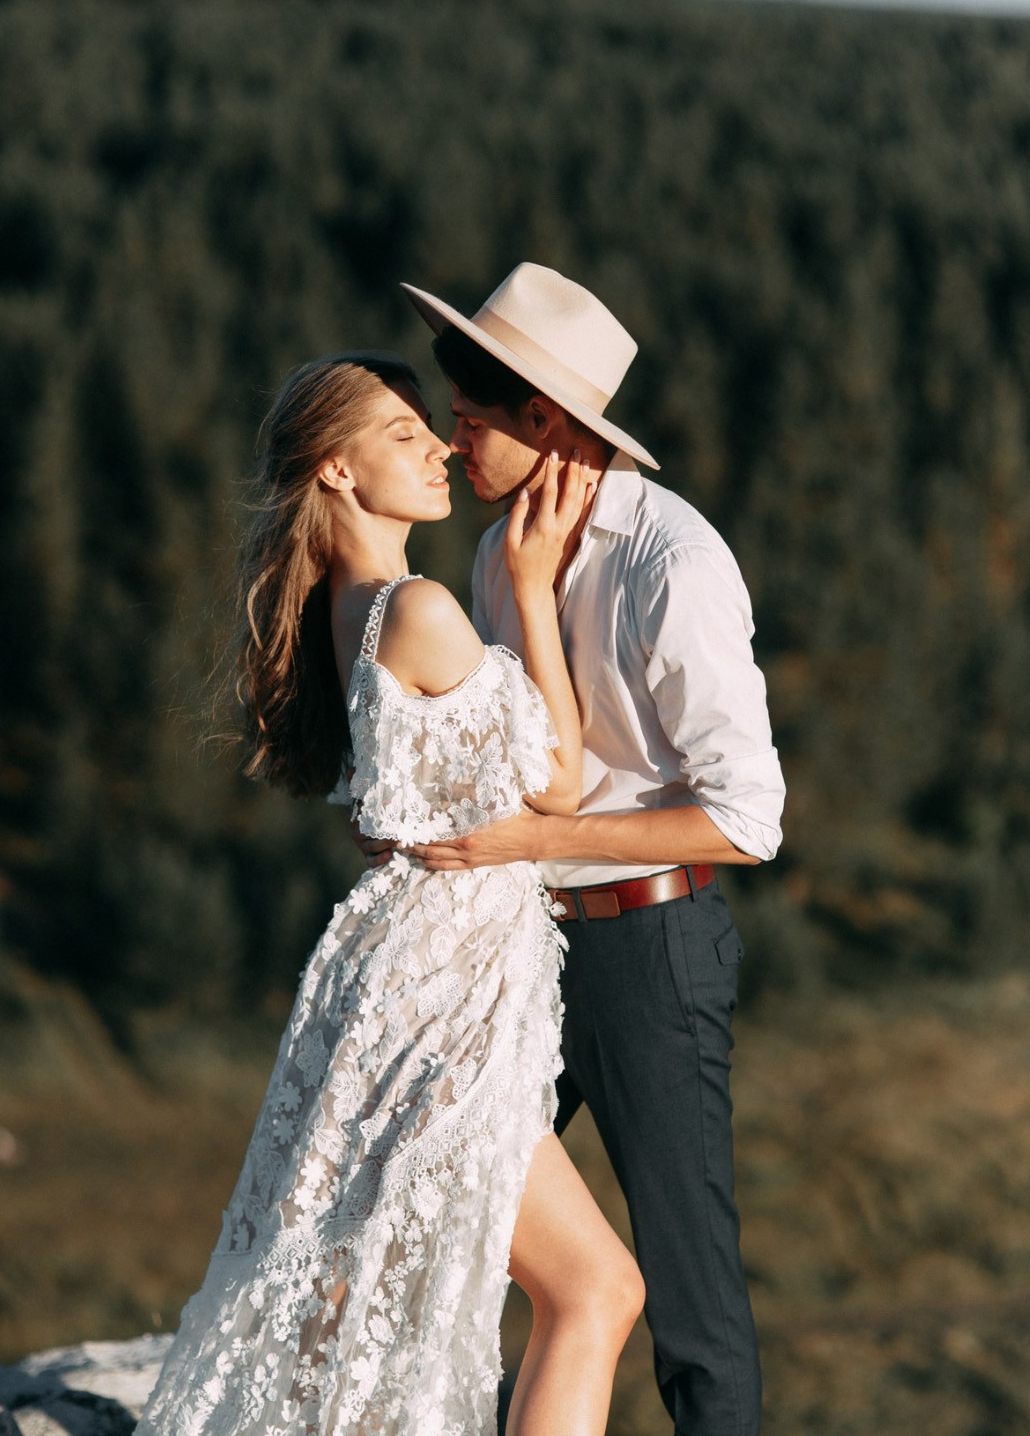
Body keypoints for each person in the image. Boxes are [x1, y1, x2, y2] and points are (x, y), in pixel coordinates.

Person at [135, 351, 644, 1436]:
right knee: (594, 1289)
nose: (438, 450)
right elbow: (555, 781)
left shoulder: (348, 607)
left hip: (420, 976)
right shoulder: (416, 609)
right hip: (443, 1000)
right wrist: (534, 587)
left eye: (431, 428)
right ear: (334, 470)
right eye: (401, 436)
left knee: (372, 1289)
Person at [395, 265, 785, 1436]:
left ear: (547, 423)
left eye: (471, 426)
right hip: (519, 950)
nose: (454, 449)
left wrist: (537, 837)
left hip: (649, 952)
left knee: (690, 1305)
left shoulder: (674, 563)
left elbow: (748, 818)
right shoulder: (488, 560)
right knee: (428, 1215)